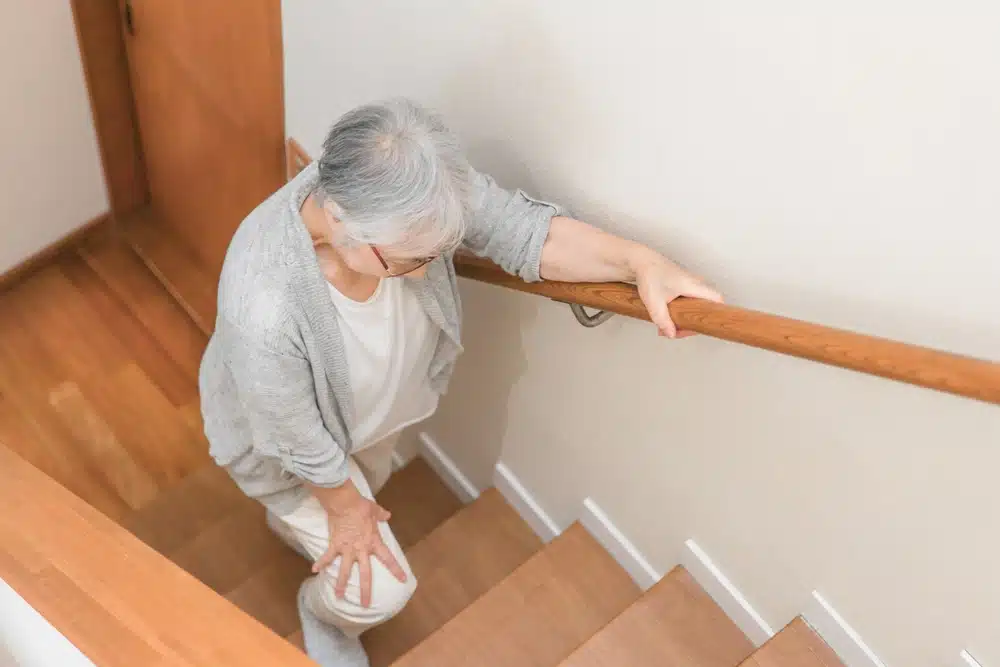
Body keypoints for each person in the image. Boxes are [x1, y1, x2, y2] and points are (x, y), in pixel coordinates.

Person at [199, 98, 722, 666]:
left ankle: (299, 530)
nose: (427, 272)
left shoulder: (411, 190)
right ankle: (322, 613)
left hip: (368, 423)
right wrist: (347, 513)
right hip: (295, 453)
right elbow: (297, 439)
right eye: (410, 261)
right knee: (381, 591)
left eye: (437, 253)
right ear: (345, 227)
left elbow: (520, 231)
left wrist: (640, 263)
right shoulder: (264, 306)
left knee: (365, 478)